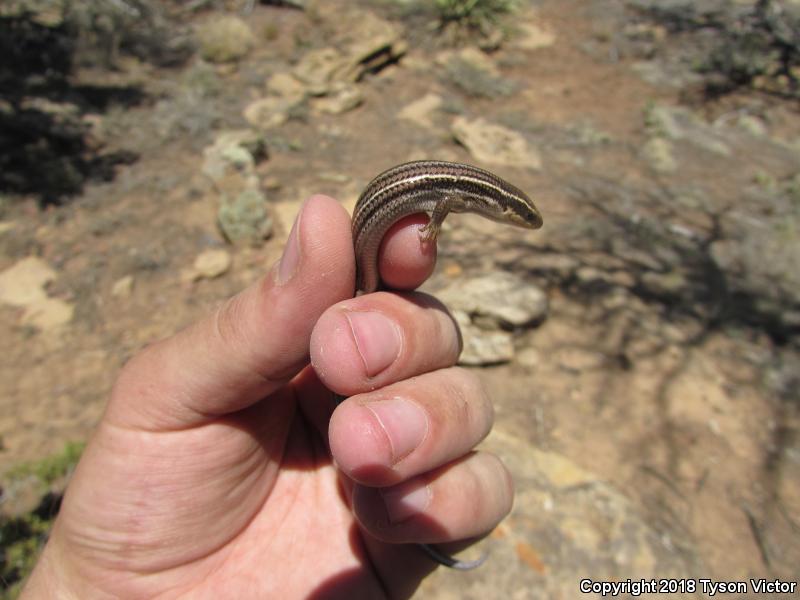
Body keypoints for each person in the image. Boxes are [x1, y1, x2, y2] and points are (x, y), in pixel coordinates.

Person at [22, 195, 513, 598]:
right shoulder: (448, 194)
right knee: (365, 337)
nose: (522, 223)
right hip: (365, 266)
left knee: (369, 351)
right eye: (520, 216)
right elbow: (441, 205)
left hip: (367, 287)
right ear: (500, 206)